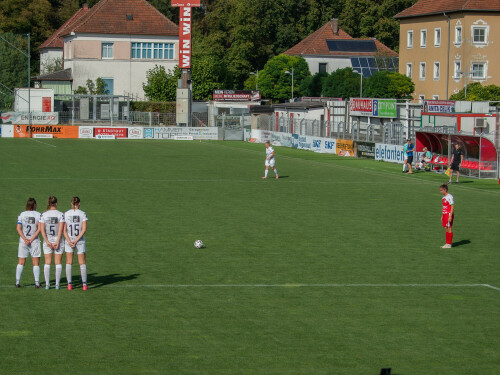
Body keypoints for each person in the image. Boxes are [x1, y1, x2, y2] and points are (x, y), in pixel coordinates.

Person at [15, 197, 42, 288]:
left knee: (21, 262)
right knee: (35, 262)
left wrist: (25, 239)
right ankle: (37, 283)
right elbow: (39, 229)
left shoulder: (22, 214)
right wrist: (31, 239)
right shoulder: (38, 215)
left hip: (23, 241)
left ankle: (17, 282)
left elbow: (18, 228)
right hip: (34, 241)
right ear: (34, 205)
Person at [40, 196, 65, 290]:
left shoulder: (44, 215)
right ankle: (57, 285)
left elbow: (42, 230)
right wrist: (57, 241)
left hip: (48, 241)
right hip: (58, 241)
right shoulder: (60, 214)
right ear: (56, 203)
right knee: (58, 262)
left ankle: (47, 284)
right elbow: (61, 230)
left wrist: (47, 242)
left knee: (47, 262)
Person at [63, 197, 88, 290]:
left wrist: (69, 241)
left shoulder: (66, 214)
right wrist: (77, 240)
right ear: (79, 203)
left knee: (69, 262)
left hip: (69, 240)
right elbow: (84, 229)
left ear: (71, 203)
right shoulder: (82, 214)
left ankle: (69, 284)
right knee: (82, 262)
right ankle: (84, 285)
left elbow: (64, 230)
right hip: (80, 240)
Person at [440, 184, 455, 249]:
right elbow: (444, 206)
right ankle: (447, 243)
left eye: (441, 190)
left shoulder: (450, 196)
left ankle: (449, 244)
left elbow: (452, 206)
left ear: (445, 190)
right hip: (444, 214)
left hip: (448, 214)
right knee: (445, 228)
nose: (440, 192)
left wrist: (450, 216)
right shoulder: (443, 197)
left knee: (449, 228)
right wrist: (442, 215)